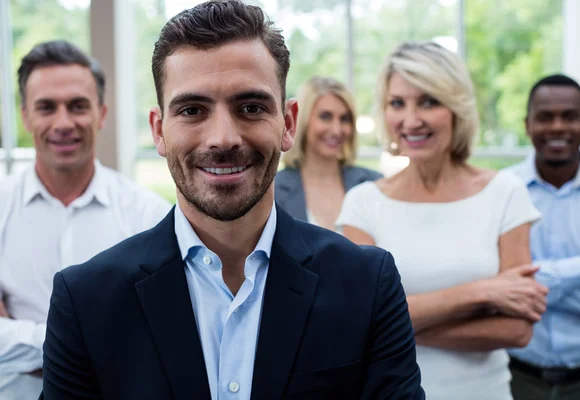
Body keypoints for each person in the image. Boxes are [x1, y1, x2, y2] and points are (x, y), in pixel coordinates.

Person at [40, 2, 425, 399]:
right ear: (159, 130)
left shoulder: (366, 284)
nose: (223, 138)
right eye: (192, 110)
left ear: (288, 124)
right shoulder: (86, 301)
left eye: (251, 108)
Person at [337, 41, 548, 400]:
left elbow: (516, 330)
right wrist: (481, 292)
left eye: (429, 101)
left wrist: (387, 324)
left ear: (456, 107)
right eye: (397, 103)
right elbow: (355, 323)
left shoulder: (505, 193)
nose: (411, 120)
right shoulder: (362, 204)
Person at [0, 40, 171, 399]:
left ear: (101, 114)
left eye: (78, 106)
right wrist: (95, 342)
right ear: (26, 116)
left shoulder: (148, 216)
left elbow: (158, 337)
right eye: (46, 107)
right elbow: (125, 339)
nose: (63, 123)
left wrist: (19, 337)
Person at [506, 74, 580, 400]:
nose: (558, 127)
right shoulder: (503, 191)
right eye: (545, 117)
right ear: (527, 124)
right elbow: (498, 284)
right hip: (515, 379)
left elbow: (517, 289)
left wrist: (529, 284)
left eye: (570, 116)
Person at [275, 76, 381, 230]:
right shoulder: (274, 190)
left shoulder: (374, 183)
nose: (336, 130)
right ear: (303, 120)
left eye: (344, 119)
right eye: (326, 117)